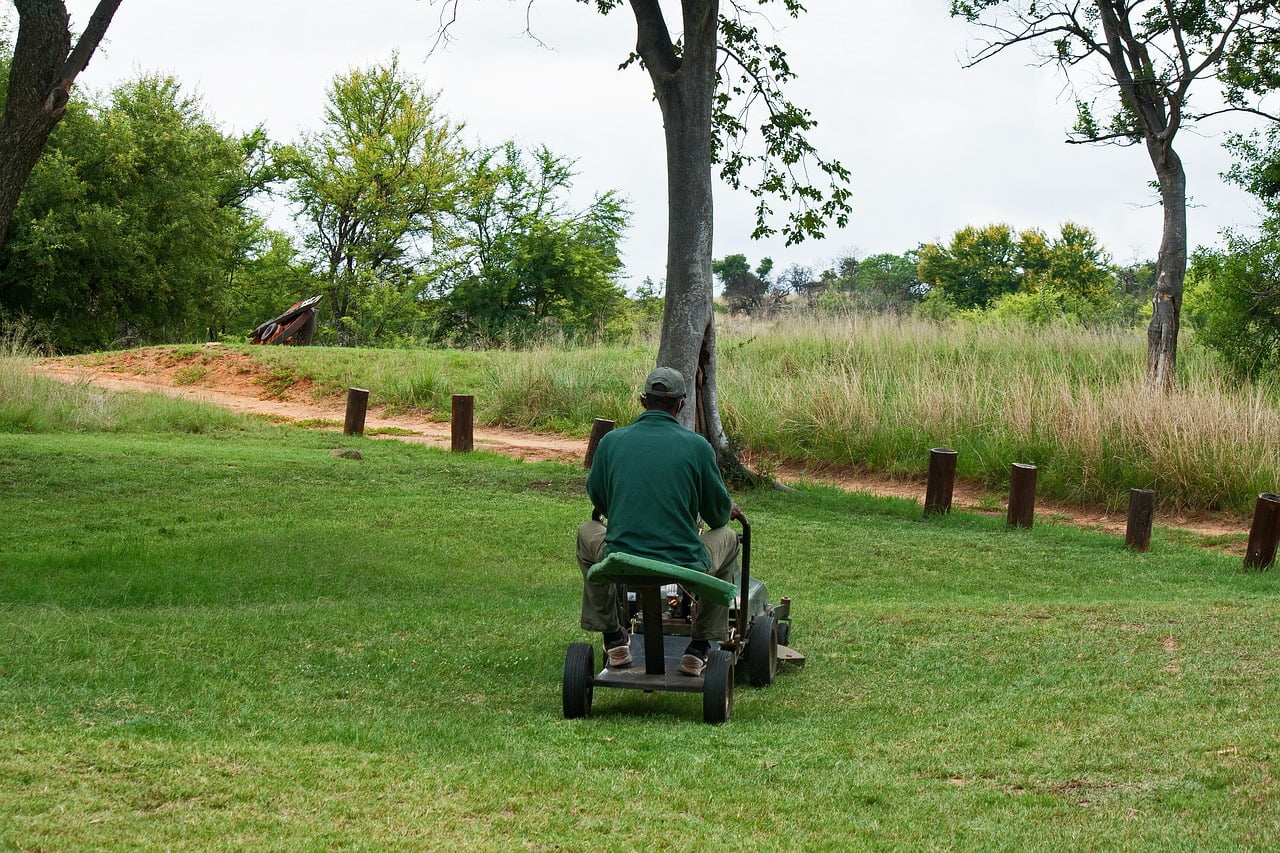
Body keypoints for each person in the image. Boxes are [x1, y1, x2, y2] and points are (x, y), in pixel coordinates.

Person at [576, 367, 744, 677]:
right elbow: (718, 516)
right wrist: (728, 507)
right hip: (684, 562)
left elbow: (598, 499)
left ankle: (612, 636)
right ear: (680, 405)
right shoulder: (697, 447)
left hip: (620, 558)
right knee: (730, 539)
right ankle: (700, 645)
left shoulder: (612, 443)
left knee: (587, 531)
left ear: (643, 401)